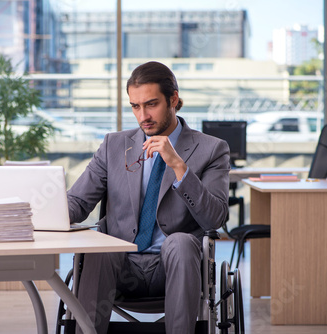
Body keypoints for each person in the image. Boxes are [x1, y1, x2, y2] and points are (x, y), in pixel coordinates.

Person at [66, 61, 230, 334]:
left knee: (179, 242)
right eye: (135, 106)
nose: (143, 116)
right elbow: (78, 203)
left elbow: (215, 218)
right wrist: (31, 213)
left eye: (151, 104)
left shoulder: (212, 149)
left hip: (176, 267)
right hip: (120, 266)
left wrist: (179, 166)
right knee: (99, 245)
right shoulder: (114, 146)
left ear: (173, 100)